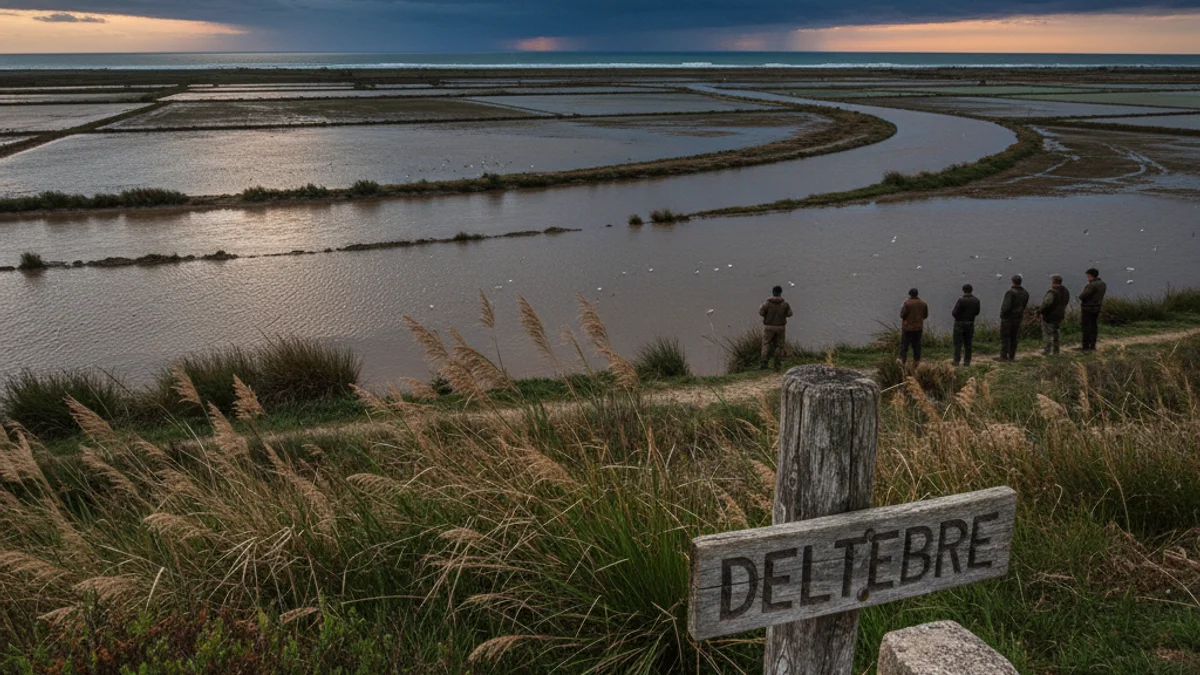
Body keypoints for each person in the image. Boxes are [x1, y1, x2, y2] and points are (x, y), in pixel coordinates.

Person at [759, 285, 793, 371]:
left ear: (773, 292)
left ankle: (763, 363)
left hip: (769, 327)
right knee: (779, 345)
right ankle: (777, 364)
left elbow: (761, 312)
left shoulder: (767, 303)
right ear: (780, 293)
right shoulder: (785, 304)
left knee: (766, 344)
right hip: (780, 327)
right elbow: (790, 314)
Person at [998, 274, 1030, 361]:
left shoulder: (1010, 292)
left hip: (1008, 318)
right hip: (1018, 318)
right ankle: (1012, 356)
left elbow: (1006, 307)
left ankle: (1003, 356)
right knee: (1014, 337)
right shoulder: (1025, 293)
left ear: (1012, 281)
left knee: (1005, 337)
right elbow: (1024, 305)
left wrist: (1002, 315)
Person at [1038, 274, 1071, 356]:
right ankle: (1056, 350)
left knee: (1047, 334)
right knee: (1056, 332)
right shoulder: (1065, 291)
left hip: (1050, 316)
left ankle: (1047, 350)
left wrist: (1040, 311)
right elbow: (1066, 301)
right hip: (1060, 315)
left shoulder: (1052, 292)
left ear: (1053, 281)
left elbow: (1046, 303)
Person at [951, 284, 981, 367]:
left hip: (959, 324)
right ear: (971, 290)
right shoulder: (976, 300)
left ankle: (956, 361)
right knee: (968, 343)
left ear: (963, 290)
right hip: (970, 323)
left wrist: (959, 317)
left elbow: (954, 313)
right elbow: (977, 312)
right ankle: (967, 362)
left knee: (958, 343)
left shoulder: (961, 301)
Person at [1077, 268, 1107, 351]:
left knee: (1086, 327)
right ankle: (1092, 345)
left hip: (1088, 308)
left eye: (1088, 275)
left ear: (1090, 275)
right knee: (1094, 326)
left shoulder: (1091, 285)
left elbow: (1082, 296)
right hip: (1097, 307)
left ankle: (1085, 346)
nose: (1087, 277)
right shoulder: (1102, 284)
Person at [899, 288, 929, 366]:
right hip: (919, 327)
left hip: (908, 328)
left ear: (910, 294)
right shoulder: (923, 303)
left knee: (904, 346)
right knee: (917, 345)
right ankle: (916, 361)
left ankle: (902, 362)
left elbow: (902, 315)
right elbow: (925, 315)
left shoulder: (907, 303)